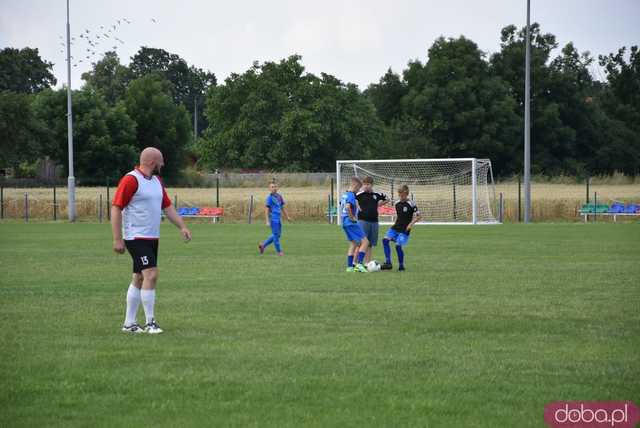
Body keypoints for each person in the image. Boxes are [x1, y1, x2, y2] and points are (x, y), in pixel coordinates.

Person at [111, 147, 192, 334]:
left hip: (152, 237)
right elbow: (116, 208)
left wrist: (182, 226)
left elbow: (168, 207)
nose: (162, 164)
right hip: (135, 237)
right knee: (152, 275)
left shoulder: (156, 181)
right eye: (160, 161)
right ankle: (150, 323)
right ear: (151, 162)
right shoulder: (131, 179)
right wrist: (117, 239)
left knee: (139, 277)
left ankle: (129, 324)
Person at [381, 185, 421, 271]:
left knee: (398, 246)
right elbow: (400, 216)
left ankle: (401, 266)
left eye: (402, 194)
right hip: (395, 227)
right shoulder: (396, 203)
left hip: (405, 229)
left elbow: (418, 216)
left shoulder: (411, 204)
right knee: (385, 240)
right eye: (399, 194)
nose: (400, 196)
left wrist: (410, 224)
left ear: (406, 193)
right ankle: (388, 262)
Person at [356, 176, 388, 264]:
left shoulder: (376, 195)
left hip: (374, 221)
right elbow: (350, 199)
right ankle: (356, 263)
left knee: (369, 244)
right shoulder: (359, 194)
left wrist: (380, 204)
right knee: (361, 243)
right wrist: (357, 206)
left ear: (372, 185)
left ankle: (367, 263)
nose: (366, 186)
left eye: (368, 184)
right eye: (364, 184)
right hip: (363, 221)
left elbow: (387, 199)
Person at [340, 177, 369, 272]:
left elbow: (344, 205)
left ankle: (349, 267)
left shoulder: (344, 195)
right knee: (365, 242)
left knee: (354, 243)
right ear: (355, 186)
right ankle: (359, 264)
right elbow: (348, 207)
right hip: (350, 222)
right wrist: (352, 217)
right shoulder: (352, 195)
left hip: (344, 222)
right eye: (358, 189)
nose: (357, 191)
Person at [259, 181, 291, 256]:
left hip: (279, 219)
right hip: (273, 219)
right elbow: (266, 210)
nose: (274, 188)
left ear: (278, 188)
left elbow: (282, 207)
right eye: (272, 187)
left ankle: (263, 245)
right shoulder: (269, 198)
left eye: (275, 186)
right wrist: (267, 221)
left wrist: (287, 217)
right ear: (269, 189)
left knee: (277, 235)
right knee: (276, 235)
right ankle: (279, 251)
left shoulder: (279, 197)